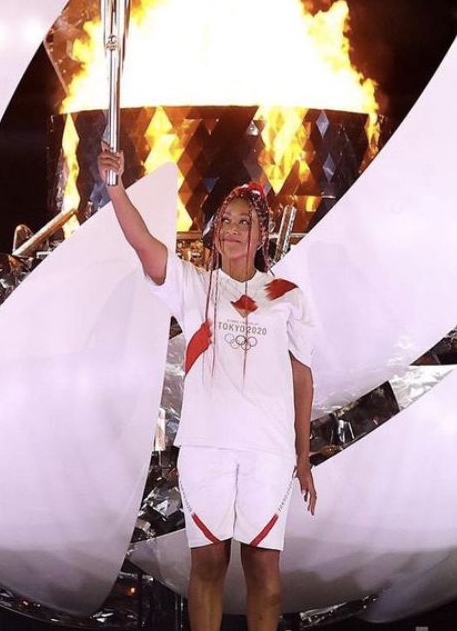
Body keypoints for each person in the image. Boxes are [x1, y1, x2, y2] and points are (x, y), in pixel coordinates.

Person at [97, 144, 317, 631]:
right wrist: (115, 188)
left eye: (244, 222)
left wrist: (303, 457)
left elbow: (302, 375)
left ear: (262, 234)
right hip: (206, 448)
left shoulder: (286, 297)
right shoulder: (195, 285)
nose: (232, 230)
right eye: (225, 222)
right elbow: (144, 244)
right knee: (208, 567)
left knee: (266, 573)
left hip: (269, 451)